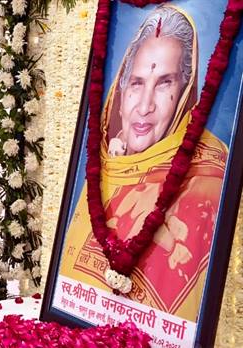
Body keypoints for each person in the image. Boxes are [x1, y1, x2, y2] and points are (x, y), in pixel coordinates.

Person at [59, 5, 227, 322]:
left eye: (164, 83)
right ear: (121, 89)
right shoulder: (106, 160)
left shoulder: (205, 185)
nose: (145, 106)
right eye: (137, 83)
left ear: (184, 93)